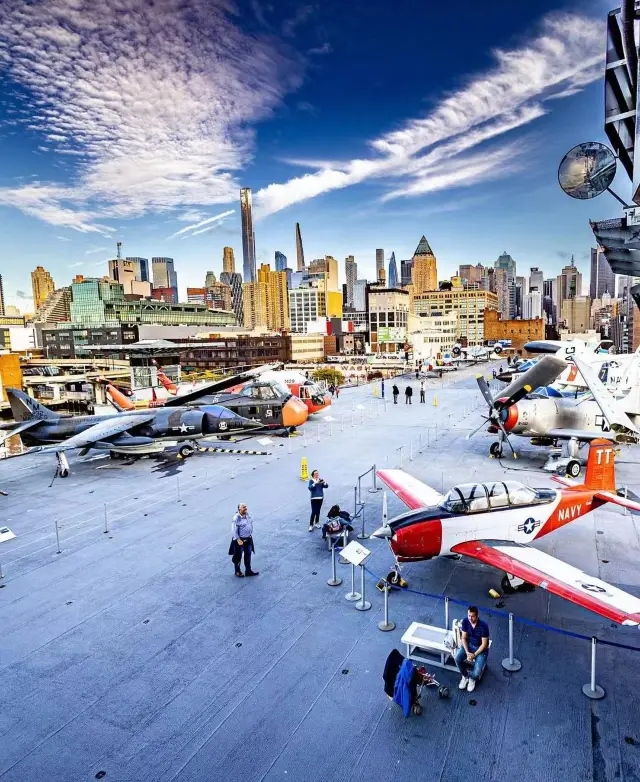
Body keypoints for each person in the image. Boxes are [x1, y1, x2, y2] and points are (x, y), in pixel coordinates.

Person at [455, 606, 489, 692]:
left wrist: (474, 655)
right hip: (468, 646)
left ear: (477, 616)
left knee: (477, 671)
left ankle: (472, 679)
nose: (470, 618)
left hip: (480, 649)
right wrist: (467, 652)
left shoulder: (483, 626)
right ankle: (465, 676)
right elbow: (464, 638)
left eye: (472, 616)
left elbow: (484, 645)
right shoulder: (465, 621)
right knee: (457, 659)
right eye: (469, 615)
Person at [229, 503, 259, 578]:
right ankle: (237, 571)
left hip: (248, 539)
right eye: (244, 507)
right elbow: (233, 530)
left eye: (246, 506)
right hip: (240, 541)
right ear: (239, 509)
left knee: (248, 555)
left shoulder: (247, 515)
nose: (246, 508)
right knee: (238, 556)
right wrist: (238, 539)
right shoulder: (236, 518)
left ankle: (248, 571)